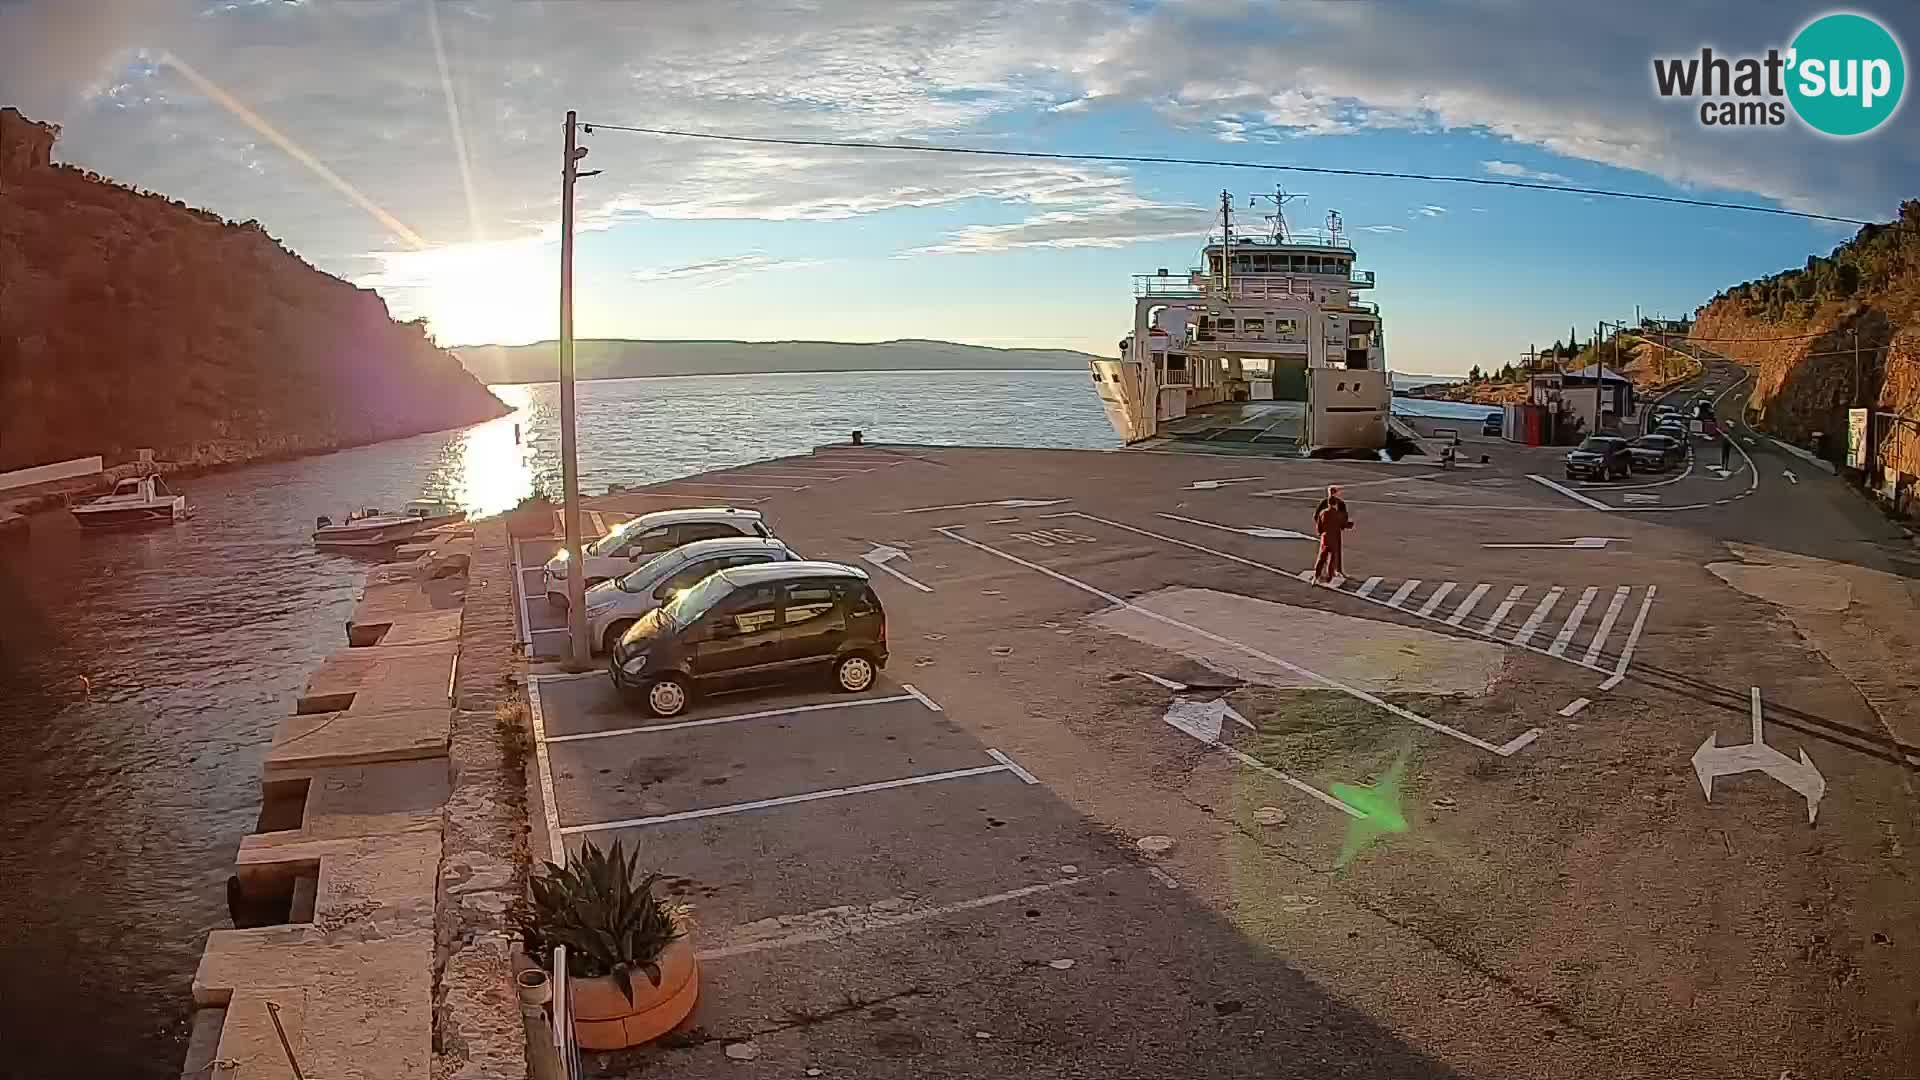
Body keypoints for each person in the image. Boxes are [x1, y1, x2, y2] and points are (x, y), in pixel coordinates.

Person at [1313, 485, 1352, 584]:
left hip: (1326, 535)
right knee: (1333, 555)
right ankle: (1330, 575)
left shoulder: (1324, 510)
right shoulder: (1337, 509)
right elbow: (1344, 520)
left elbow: (1318, 519)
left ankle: (1319, 575)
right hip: (1334, 534)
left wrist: (1320, 531)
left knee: (1323, 555)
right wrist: (1347, 525)